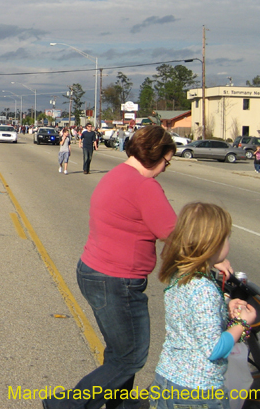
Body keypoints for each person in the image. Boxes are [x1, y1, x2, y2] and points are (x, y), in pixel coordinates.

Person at [44, 125, 178, 409]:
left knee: (120, 350)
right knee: (131, 356)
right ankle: (67, 406)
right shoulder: (144, 186)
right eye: (166, 161)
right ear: (154, 154)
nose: (165, 168)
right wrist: (215, 256)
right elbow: (174, 233)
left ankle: (120, 406)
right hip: (117, 280)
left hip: (95, 271)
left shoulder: (119, 174)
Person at [151, 202, 257, 409]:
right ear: (212, 243)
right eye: (227, 237)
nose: (228, 243)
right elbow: (214, 348)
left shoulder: (181, 274)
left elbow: (194, 316)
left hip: (167, 379)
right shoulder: (203, 289)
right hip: (196, 392)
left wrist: (225, 305)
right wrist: (243, 323)